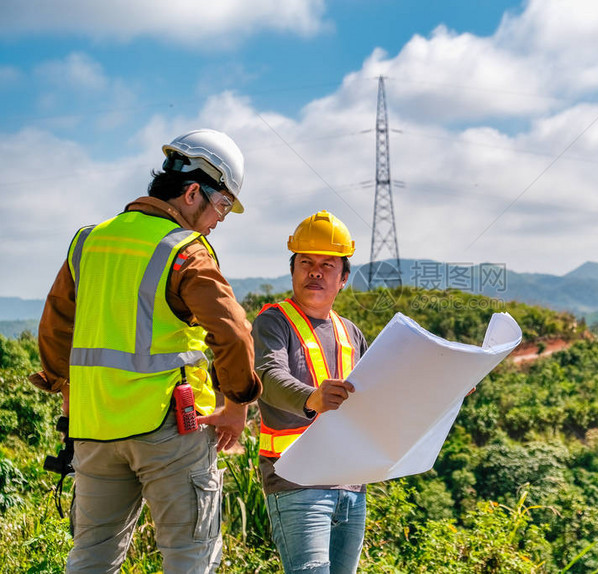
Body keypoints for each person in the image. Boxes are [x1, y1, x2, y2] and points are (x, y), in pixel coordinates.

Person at [28, 128, 263, 573]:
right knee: (190, 558)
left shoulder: (88, 241)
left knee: (91, 558)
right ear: (193, 192)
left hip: (94, 429)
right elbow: (232, 332)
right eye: (222, 206)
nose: (220, 220)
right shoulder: (185, 251)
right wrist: (237, 403)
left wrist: (67, 393)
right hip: (171, 427)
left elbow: (55, 328)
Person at [253, 210, 368, 574]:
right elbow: (268, 376)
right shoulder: (274, 321)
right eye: (306, 262)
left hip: (350, 485)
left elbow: (381, 393)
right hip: (296, 482)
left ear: (344, 278)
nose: (315, 271)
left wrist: (443, 389)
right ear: (292, 271)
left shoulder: (351, 332)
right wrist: (311, 398)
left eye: (327, 264)